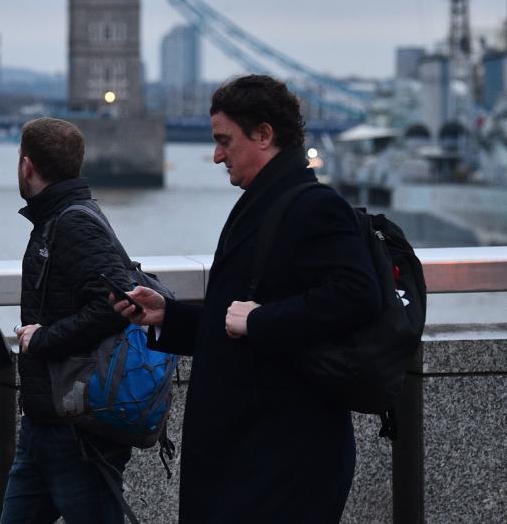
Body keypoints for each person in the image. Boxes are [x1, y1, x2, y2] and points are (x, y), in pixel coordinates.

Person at [114, 75, 381, 522]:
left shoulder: (315, 206)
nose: (217, 155)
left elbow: (358, 296)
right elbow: (232, 321)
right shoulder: (263, 202)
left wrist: (259, 322)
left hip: (283, 459)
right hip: (248, 454)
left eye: (225, 141)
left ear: (264, 134)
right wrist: (167, 316)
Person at [0, 117, 137, 524]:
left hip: (75, 430)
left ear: (27, 166)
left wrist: (43, 339)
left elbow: (113, 305)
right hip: (44, 422)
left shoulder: (73, 222)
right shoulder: (55, 218)